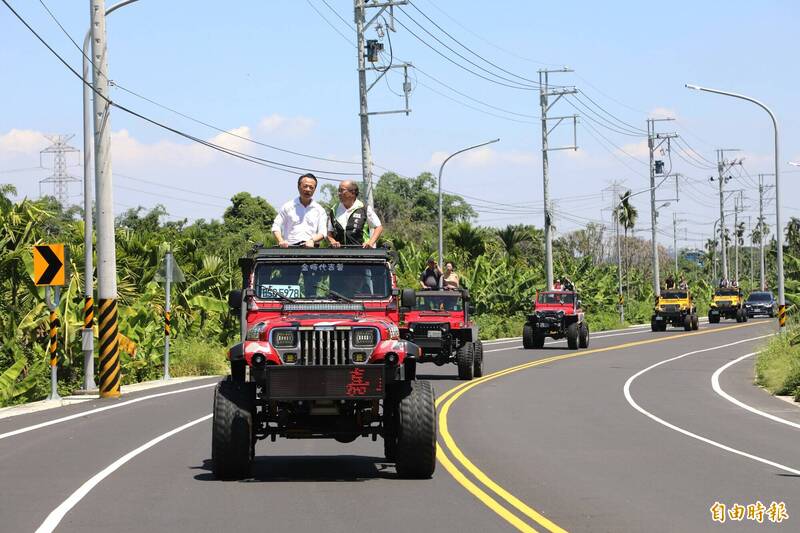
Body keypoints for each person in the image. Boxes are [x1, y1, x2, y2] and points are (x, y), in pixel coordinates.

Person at [272, 173, 327, 248]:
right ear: (298, 187)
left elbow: (323, 232)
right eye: (305, 186)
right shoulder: (287, 206)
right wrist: (281, 241)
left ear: (315, 190)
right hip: (289, 249)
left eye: (311, 187)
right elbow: (276, 226)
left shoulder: (320, 210)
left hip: (311, 249)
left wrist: (312, 240)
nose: (308, 189)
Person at [326, 180, 383, 248]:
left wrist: (370, 242)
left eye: (342, 190)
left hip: (361, 253)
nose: (339, 193)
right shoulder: (334, 209)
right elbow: (329, 232)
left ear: (352, 192)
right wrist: (332, 241)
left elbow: (379, 227)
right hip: (339, 254)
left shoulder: (364, 208)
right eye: (339, 190)